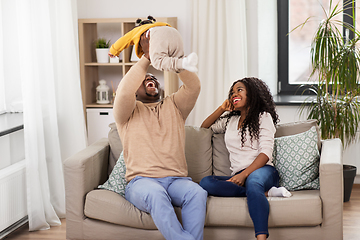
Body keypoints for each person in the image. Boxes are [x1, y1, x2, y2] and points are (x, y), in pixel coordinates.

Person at [112, 51, 207, 239]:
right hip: (142, 182)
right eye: (144, 79)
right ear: (135, 89)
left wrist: (174, 60)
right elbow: (124, 91)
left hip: (177, 181)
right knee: (156, 194)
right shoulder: (126, 113)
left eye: (154, 78)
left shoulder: (175, 106)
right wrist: (147, 58)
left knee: (197, 193)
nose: (151, 79)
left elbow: (193, 86)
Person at [199, 77, 291, 240]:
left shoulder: (263, 116)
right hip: (239, 174)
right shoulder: (230, 120)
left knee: (254, 183)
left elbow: (265, 153)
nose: (235, 94)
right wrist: (222, 109)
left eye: (239, 90)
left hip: (262, 171)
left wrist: (244, 175)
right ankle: (266, 193)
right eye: (232, 92)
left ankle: (261, 238)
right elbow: (204, 127)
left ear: (253, 93)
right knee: (206, 182)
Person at [109, 15, 198, 73]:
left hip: (158, 34)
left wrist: (113, 51)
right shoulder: (157, 24)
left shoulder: (137, 31)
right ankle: (187, 60)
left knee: (158, 61)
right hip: (173, 31)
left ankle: (184, 62)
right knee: (176, 60)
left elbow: (124, 40)